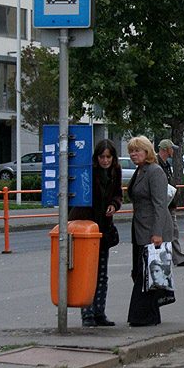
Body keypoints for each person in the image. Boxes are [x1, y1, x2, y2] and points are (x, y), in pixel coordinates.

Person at [69, 139, 122, 327]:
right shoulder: (89, 172)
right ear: (96, 157)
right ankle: (88, 314)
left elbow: (118, 195)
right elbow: (81, 197)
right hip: (87, 226)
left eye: (108, 157)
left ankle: (100, 312)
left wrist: (114, 205)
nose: (105, 161)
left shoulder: (116, 172)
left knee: (102, 273)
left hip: (104, 228)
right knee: (87, 271)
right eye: (102, 157)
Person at [126, 136, 174, 327]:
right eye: (131, 151)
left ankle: (142, 316)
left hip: (152, 230)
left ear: (147, 152)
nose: (133, 154)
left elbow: (160, 205)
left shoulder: (155, 172)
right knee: (141, 273)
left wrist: (157, 233)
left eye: (137, 150)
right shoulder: (140, 171)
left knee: (147, 273)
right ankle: (149, 314)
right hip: (139, 228)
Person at [157, 139, 184, 267]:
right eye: (171, 148)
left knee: (171, 230)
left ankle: (174, 257)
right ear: (166, 149)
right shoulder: (158, 164)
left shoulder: (164, 164)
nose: (173, 151)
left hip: (168, 203)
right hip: (164, 204)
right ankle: (175, 257)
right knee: (171, 230)